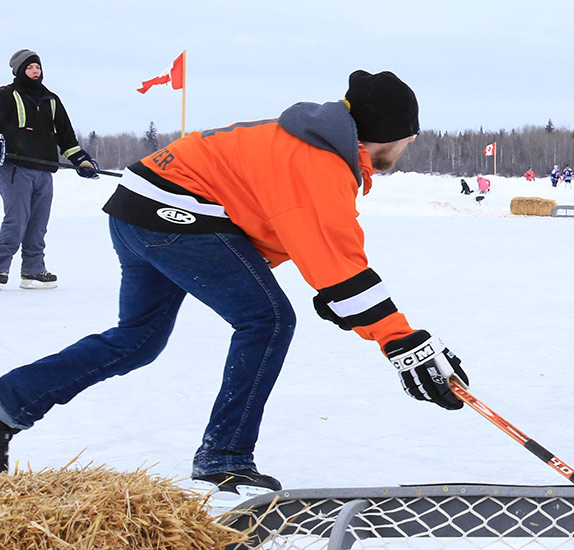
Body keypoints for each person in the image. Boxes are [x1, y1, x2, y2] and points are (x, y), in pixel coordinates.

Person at [0, 70, 471, 499]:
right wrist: (403, 342)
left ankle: (8, 403)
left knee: (137, 339)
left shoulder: (308, 139)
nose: (407, 147)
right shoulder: (318, 163)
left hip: (138, 207)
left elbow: (307, 247)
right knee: (266, 319)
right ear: (387, 135)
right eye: (408, 139)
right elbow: (339, 266)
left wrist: (344, 299)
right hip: (174, 216)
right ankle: (223, 458)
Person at [0, 49, 100, 290]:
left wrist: (81, 161)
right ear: (19, 71)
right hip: (15, 168)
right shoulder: (5, 95)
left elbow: (66, 137)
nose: (35, 71)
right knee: (17, 220)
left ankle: (33, 271)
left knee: (38, 223)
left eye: (38, 67)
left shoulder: (51, 99)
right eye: (30, 67)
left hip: (44, 170)